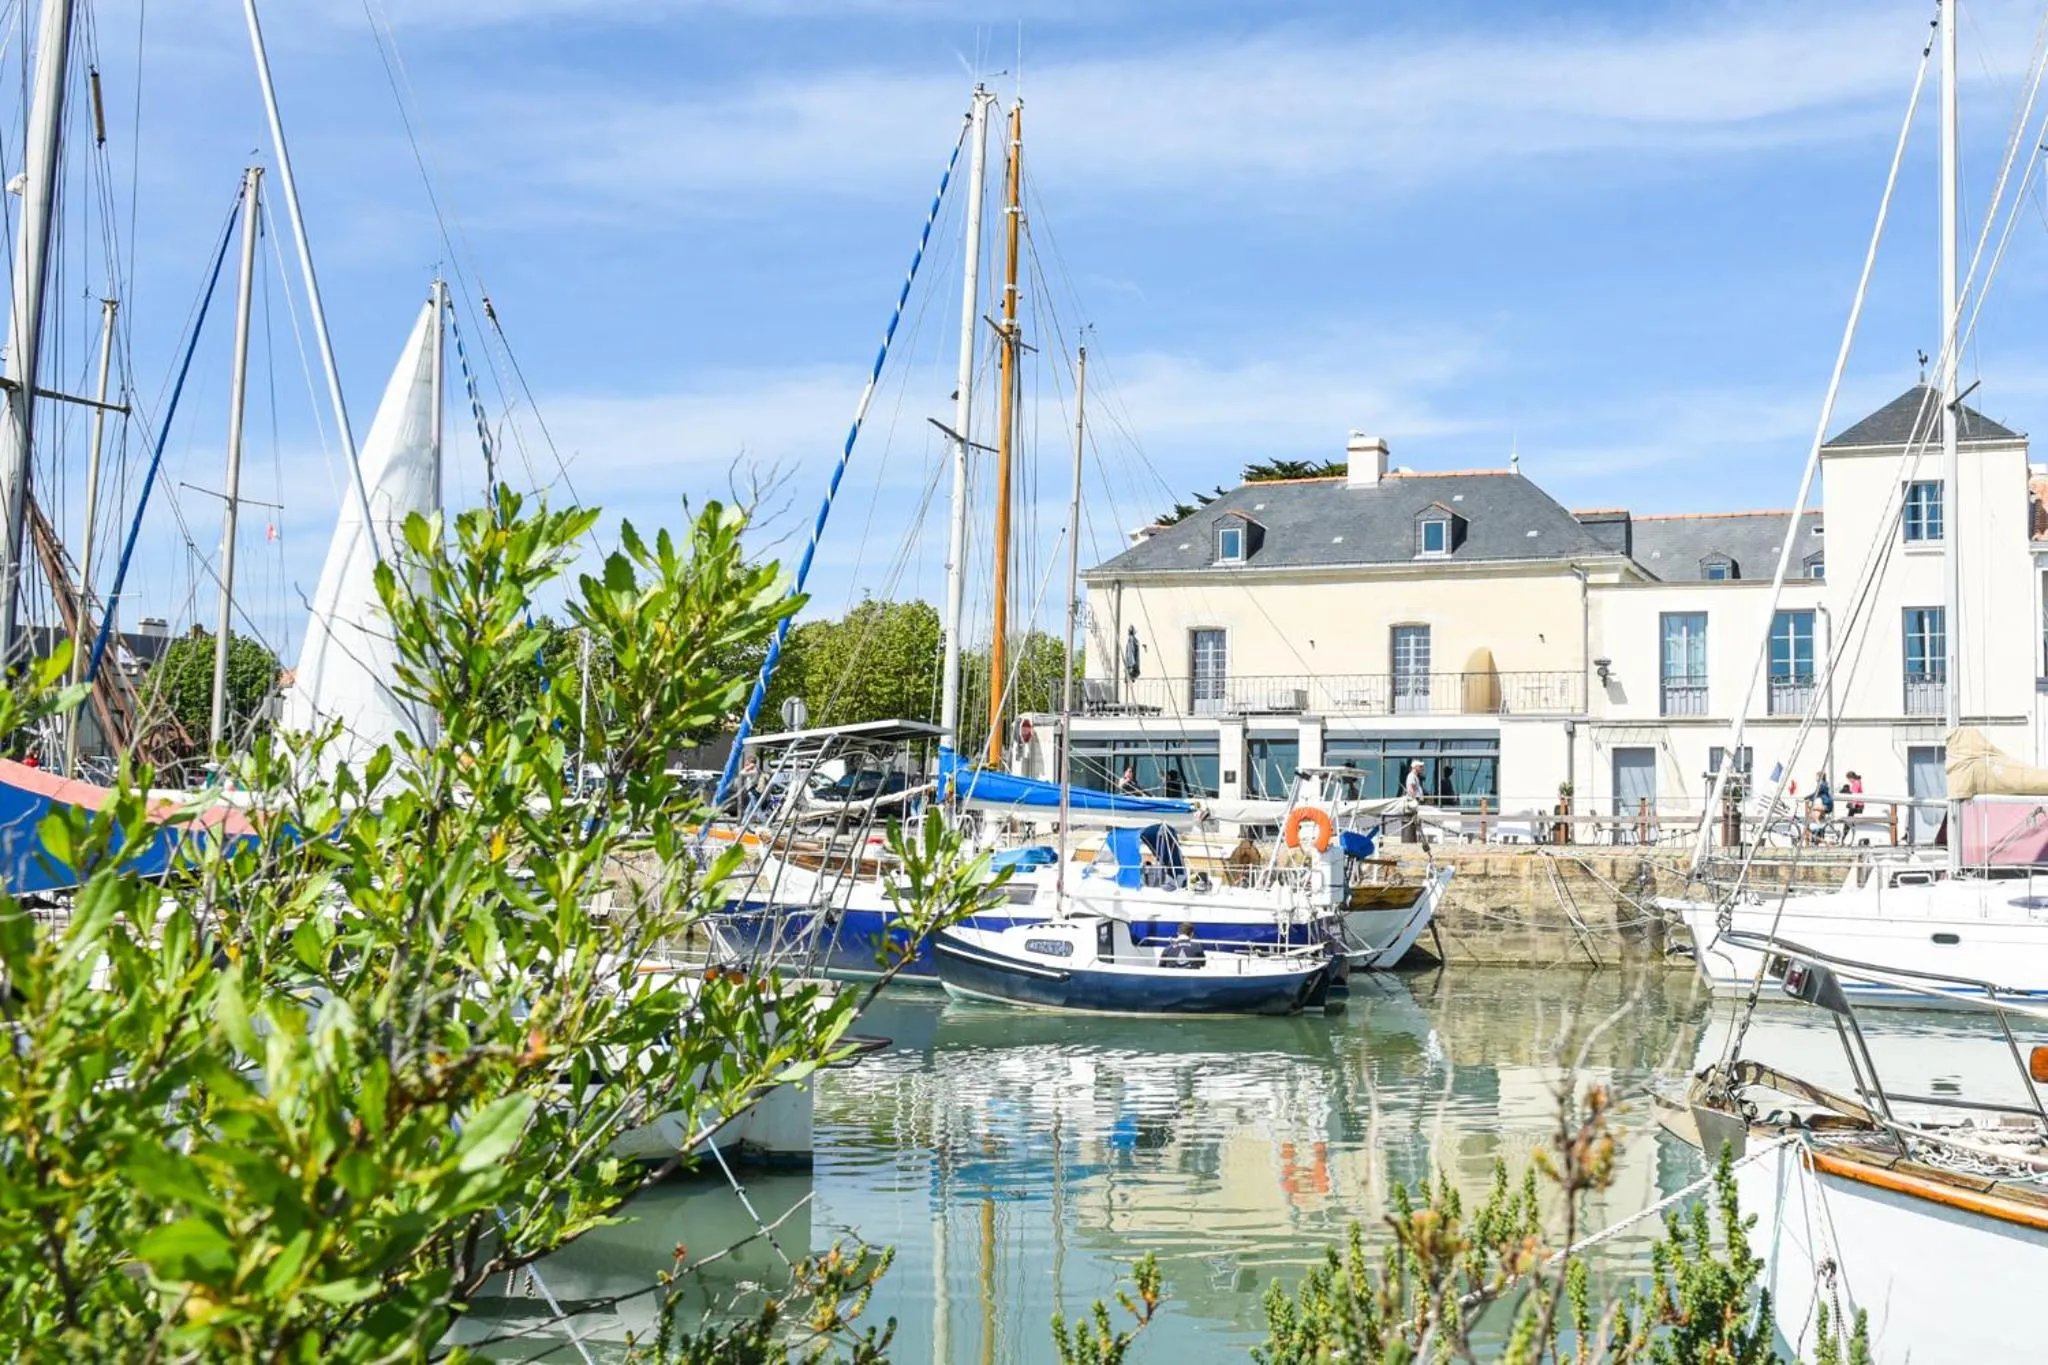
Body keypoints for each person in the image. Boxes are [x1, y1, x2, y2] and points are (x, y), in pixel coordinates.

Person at [1402, 759, 1426, 843]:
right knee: (1415, 820)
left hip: (1417, 801)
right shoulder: (1411, 776)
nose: (1422, 768)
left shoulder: (1415, 776)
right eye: (1420, 766)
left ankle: (1418, 837)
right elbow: (1410, 788)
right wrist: (1414, 798)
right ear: (1415, 767)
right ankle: (1416, 838)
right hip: (1414, 801)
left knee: (1417, 820)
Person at [1809, 771, 1835, 843]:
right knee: (1814, 814)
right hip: (1826, 804)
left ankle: (1820, 827)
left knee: (1813, 810)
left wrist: (1805, 798)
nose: (1815, 778)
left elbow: (1816, 794)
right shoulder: (1823, 784)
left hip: (1827, 805)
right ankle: (1819, 830)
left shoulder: (1822, 785)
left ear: (1820, 777)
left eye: (1816, 776)